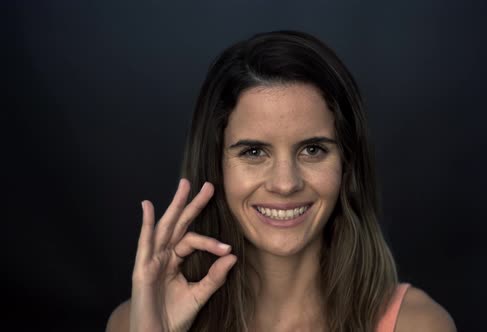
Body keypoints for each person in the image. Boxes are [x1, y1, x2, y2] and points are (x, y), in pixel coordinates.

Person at [106, 30, 456, 332]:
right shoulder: (133, 322)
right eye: (254, 153)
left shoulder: (417, 324)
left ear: (347, 165)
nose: (285, 184)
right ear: (216, 167)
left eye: (313, 150)